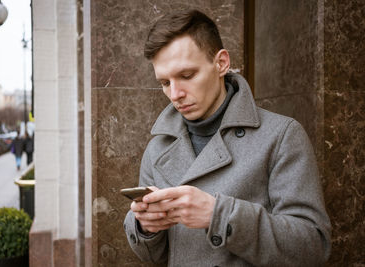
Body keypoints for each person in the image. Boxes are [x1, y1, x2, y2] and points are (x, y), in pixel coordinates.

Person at [123, 9, 331, 266]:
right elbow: (154, 257)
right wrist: (146, 228)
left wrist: (218, 215)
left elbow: (312, 246)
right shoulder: (157, 148)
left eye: (187, 76)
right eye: (165, 82)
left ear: (221, 63)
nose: (175, 93)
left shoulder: (281, 136)